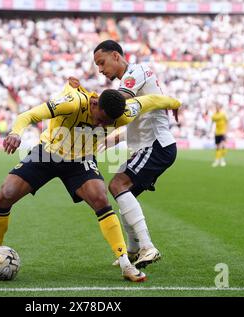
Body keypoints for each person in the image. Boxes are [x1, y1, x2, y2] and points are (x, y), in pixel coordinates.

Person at [0, 80, 181, 282]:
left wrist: (175, 103)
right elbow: (28, 115)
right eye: (100, 119)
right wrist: (16, 133)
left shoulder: (125, 112)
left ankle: (125, 263)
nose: (101, 126)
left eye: (107, 124)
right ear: (94, 105)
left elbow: (152, 100)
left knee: (101, 198)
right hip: (48, 153)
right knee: (5, 195)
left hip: (81, 159)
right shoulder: (72, 103)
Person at [93, 40, 179, 269]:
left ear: (115, 55)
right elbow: (139, 116)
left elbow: (116, 102)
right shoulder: (134, 78)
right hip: (151, 145)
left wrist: (93, 113)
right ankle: (132, 251)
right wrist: (116, 138)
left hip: (156, 146)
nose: (101, 70)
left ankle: (147, 247)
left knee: (117, 185)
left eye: (102, 63)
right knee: (124, 193)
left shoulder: (135, 72)